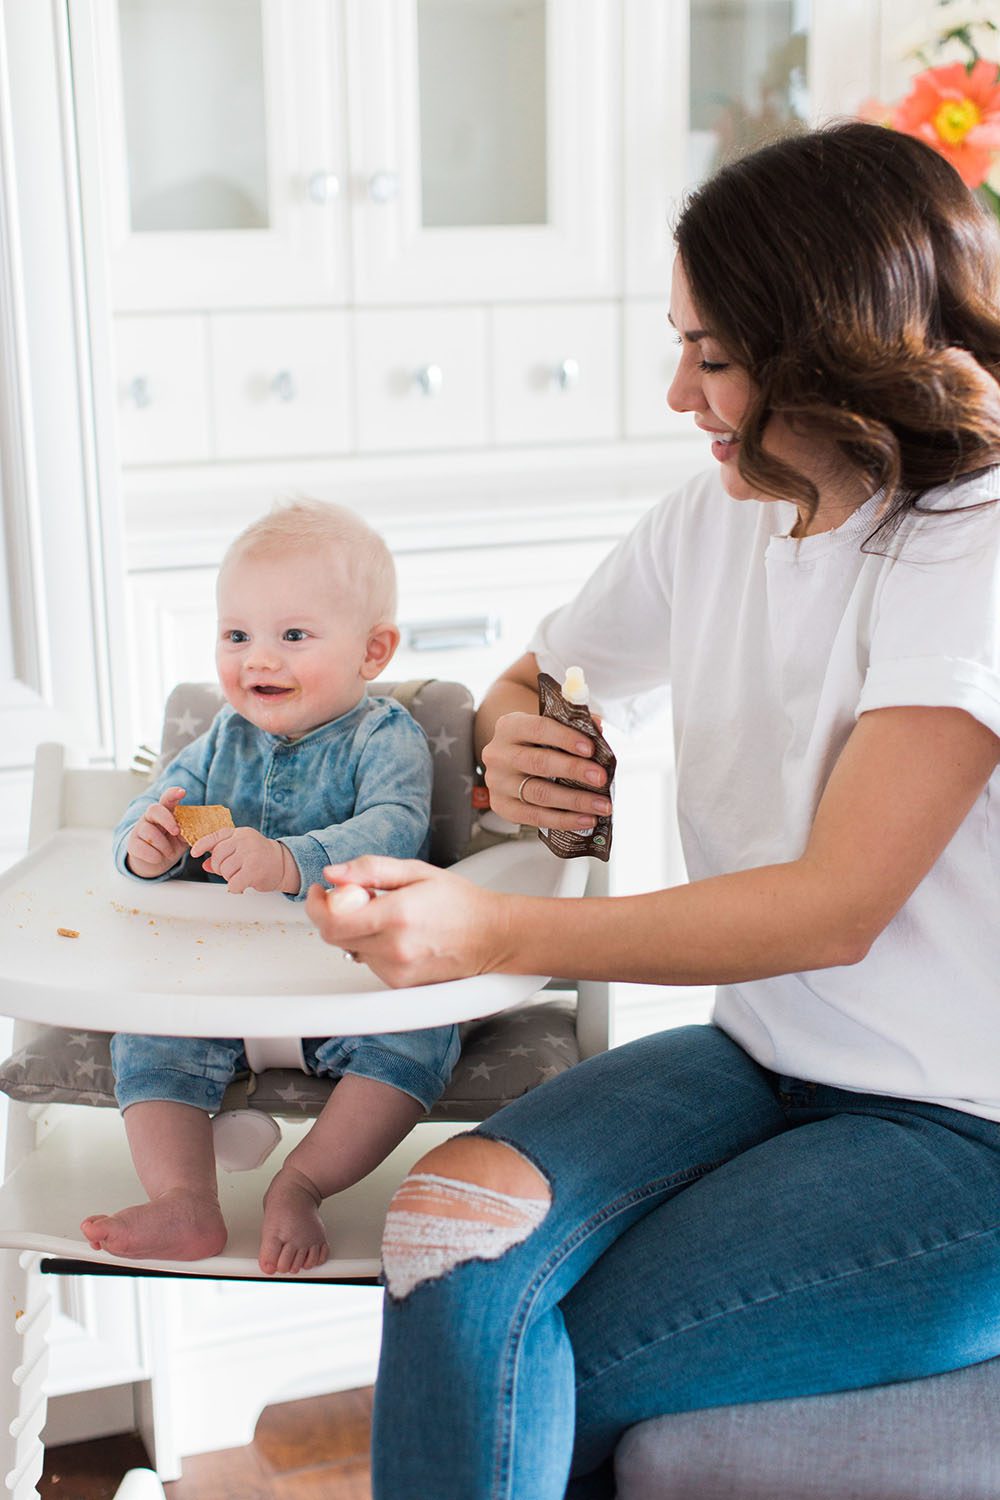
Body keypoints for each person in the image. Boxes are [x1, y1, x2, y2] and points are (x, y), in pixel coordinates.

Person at [305, 120, 1000, 1498]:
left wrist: (491, 932)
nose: (678, 389)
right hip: (761, 1057)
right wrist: (522, 737)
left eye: (716, 357)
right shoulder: (722, 513)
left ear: (832, 358)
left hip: (958, 1132)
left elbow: (838, 905)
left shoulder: (973, 547)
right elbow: (540, 675)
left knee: (559, 1364)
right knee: (439, 1230)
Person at [81, 499, 459, 1276]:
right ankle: (185, 1201)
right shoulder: (220, 741)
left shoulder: (383, 737)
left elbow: (396, 830)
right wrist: (145, 848)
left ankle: (303, 1182)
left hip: (351, 987)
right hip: (217, 986)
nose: (259, 659)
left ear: (373, 650)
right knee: (145, 1034)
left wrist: (291, 862)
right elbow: (164, 817)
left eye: (293, 635)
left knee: (420, 1038)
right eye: (237, 635)